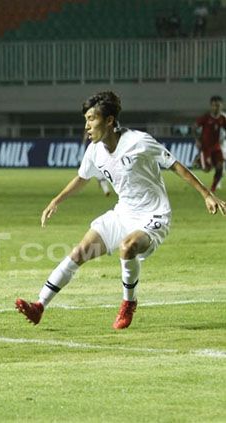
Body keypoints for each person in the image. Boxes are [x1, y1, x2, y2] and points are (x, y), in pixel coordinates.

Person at [16, 91, 226, 330]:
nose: (87, 126)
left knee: (128, 247)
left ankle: (128, 303)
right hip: (122, 214)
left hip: (153, 215)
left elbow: (175, 165)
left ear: (109, 120)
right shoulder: (95, 150)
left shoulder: (138, 141)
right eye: (85, 119)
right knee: (79, 252)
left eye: (91, 119)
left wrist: (206, 194)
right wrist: (56, 200)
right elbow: (82, 178)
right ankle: (39, 306)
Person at [194, 95, 225, 192]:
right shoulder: (206, 117)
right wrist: (197, 140)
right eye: (214, 105)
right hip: (205, 148)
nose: (216, 107)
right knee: (206, 169)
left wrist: (223, 138)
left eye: (218, 105)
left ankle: (213, 188)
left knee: (220, 167)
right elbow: (194, 127)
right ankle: (199, 160)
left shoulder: (223, 118)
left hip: (216, 147)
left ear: (221, 106)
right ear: (211, 106)